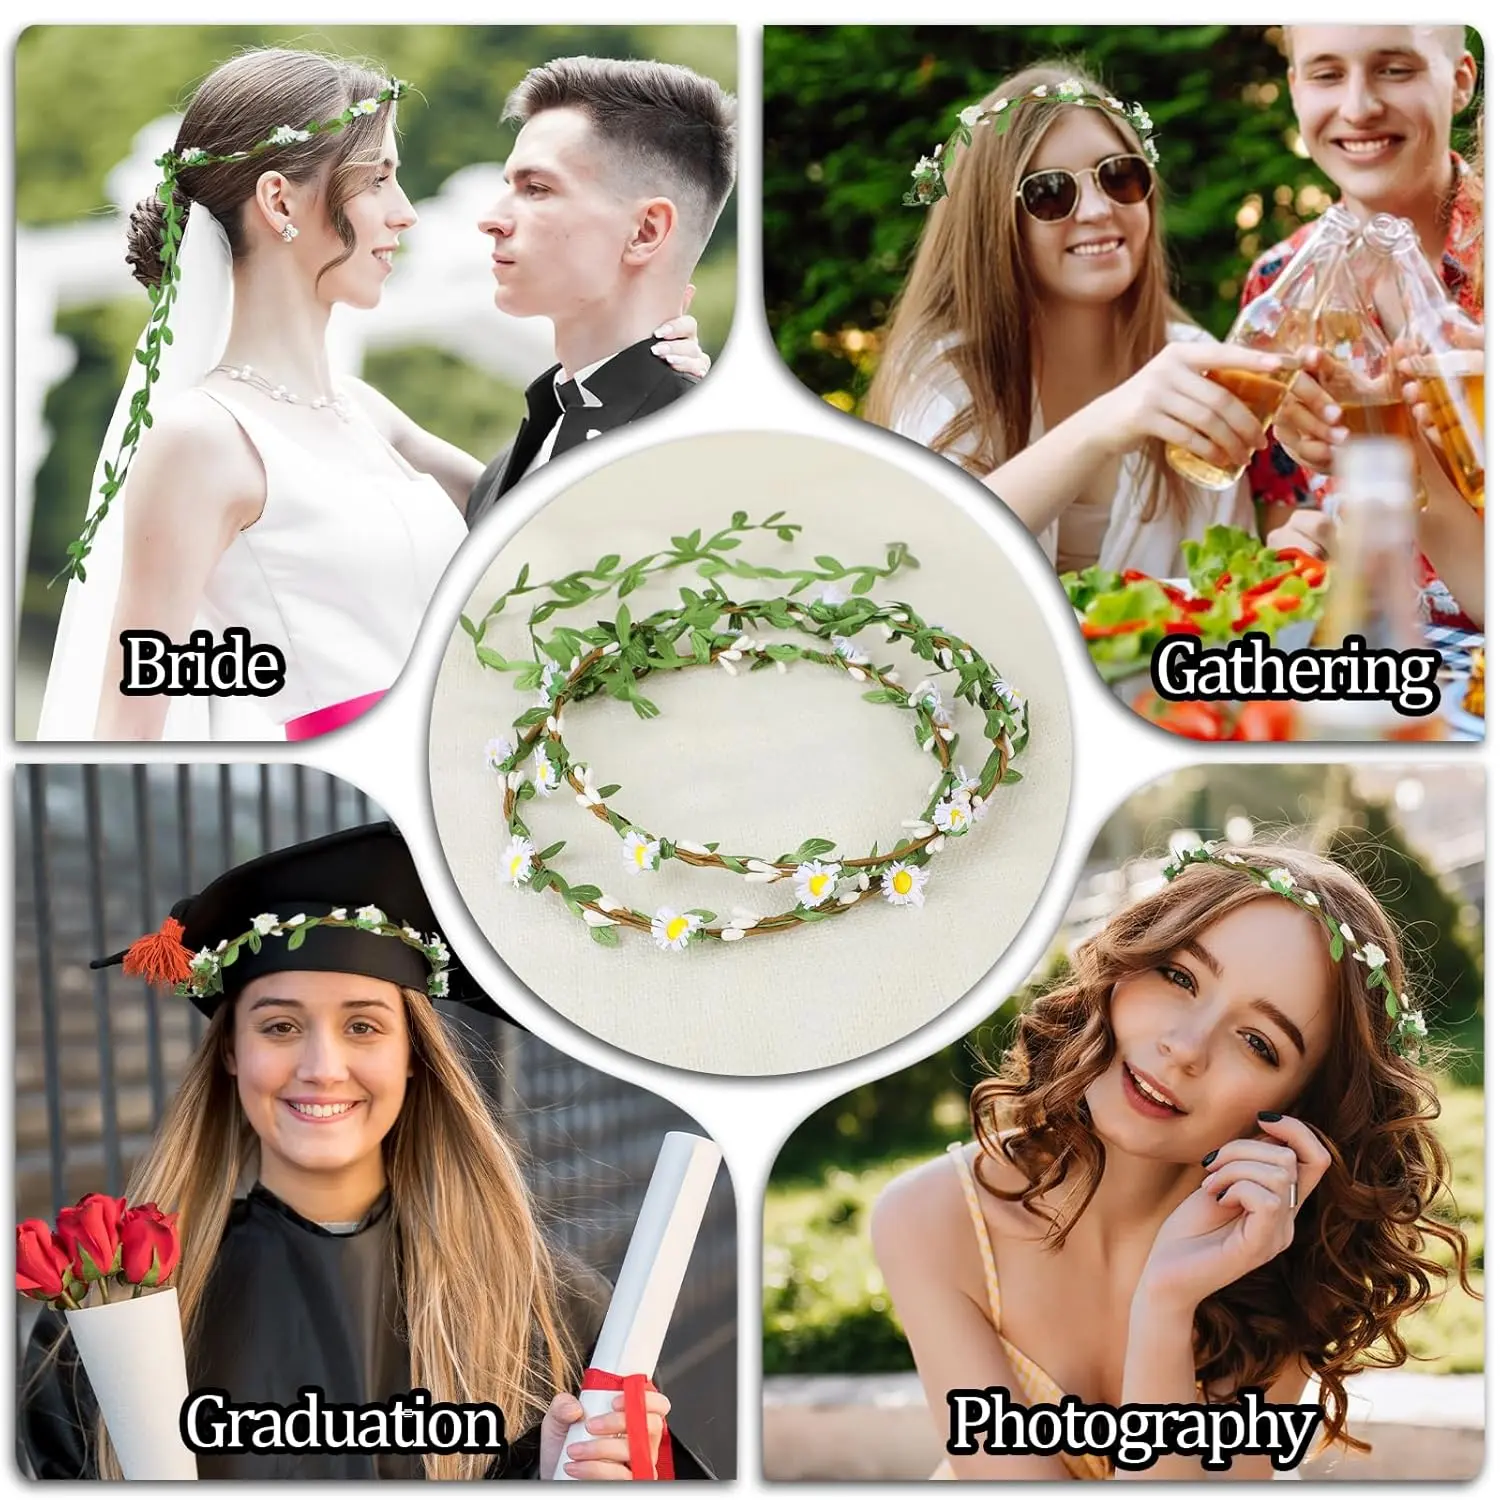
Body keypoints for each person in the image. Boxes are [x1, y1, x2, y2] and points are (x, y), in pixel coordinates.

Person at [36, 48, 706, 743]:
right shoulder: (202, 440)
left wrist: (651, 378)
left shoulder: (369, 414)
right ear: (279, 201)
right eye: (379, 179)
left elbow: (536, 518)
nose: (406, 213)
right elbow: (129, 722)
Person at [19, 822, 709, 1480]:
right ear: (232, 1052)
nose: (322, 1066)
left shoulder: (548, 1312)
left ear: (413, 1056)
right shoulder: (113, 1312)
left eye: (362, 1026)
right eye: (282, 1025)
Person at [872, 840, 1473, 1480]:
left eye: (1257, 1043)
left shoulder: (1285, 1268)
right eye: (1180, 977)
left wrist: (1166, 1304)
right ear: (1126, 964)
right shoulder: (932, 1222)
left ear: (1301, 1109)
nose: (1185, 1047)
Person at [865, 62, 1326, 581]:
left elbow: (1219, 595)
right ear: (992, 223)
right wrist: (1105, 424)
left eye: (1119, 177)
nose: (1098, 209)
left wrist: (1282, 566)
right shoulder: (943, 371)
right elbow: (923, 563)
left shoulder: (1193, 359)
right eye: (1049, 192)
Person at [1244, 25, 1482, 622]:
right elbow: (1287, 522)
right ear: (1296, 89)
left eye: (1394, 69)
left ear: (1460, 83)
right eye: (1327, 74)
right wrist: (1309, 562)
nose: (1358, 108)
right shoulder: (1275, 286)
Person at [466, 57, 738, 527]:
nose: (491, 218)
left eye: (537, 188)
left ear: (645, 231)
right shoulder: (509, 464)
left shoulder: (708, 455)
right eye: (509, 186)